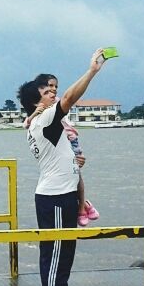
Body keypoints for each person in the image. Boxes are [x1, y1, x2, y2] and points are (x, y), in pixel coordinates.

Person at [17, 49, 107, 286]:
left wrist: (74, 161)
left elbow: (60, 152)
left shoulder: (44, 124)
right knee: (56, 256)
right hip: (54, 198)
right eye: (47, 92)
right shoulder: (43, 121)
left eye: (53, 89)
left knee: (63, 256)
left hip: (62, 195)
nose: (53, 94)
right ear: (36, 101)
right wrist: (92, 71)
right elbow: (69, 99)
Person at [41, 75, 100, 226]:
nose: (53, 90)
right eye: (49, 87)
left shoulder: (56, 102)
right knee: (69, 175)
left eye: (55, 86)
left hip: (70, 140)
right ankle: (85, 204)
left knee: (76, 174)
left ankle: (81, 207)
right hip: (58, 145)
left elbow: (68, 98)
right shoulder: (42, 108)